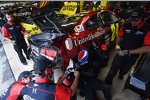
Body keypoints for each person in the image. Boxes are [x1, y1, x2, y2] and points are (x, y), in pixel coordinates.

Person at [105, 9, 150, 86]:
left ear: (142, 19)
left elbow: (147, 48)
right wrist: (117, 46)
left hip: (133, 55)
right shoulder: (126, 24)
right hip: (121, 51)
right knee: (113, 68)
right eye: (132, 20)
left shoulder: (147, 29)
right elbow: (120, 36)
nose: (133, 22)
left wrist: (129, 52)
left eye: (136, 20)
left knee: (125, 69)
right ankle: (107, 83)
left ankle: (121, 74)